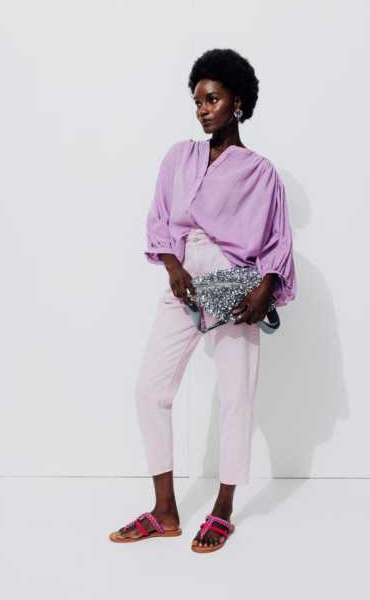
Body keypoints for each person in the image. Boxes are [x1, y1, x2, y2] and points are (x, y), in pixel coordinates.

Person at [109, 48, 297, 553]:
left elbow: (277, 241)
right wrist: (173, 267)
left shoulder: (261, 172)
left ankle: (223, 510)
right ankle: (165, 511)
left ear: (237, 102)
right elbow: (159, 218)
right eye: (197, 101)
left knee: (236, 396)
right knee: (150, 389)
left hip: (236, 286)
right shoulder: (179, 157)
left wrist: (263, 291)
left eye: (212, 99)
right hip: (185, 283)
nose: (202, 109)